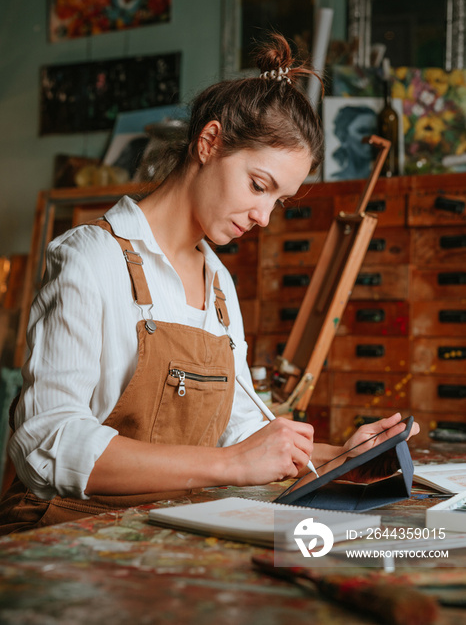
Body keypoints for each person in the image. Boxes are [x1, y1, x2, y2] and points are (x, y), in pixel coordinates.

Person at [0, 34, 419, 534]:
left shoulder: (217, 283)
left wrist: (339, 454)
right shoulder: (91, 258)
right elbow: (46, 442)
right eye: (259, 186)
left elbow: (239, 430)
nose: (264, 217)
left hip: (162, 528)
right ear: (209, 141)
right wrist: (233, 466)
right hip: (68, 533)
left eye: (278, 201)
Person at [330, 105, 377, 180]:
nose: (372, 138)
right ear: (343, 137)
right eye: (362, 131)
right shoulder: (335, 179)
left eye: (374, 131)